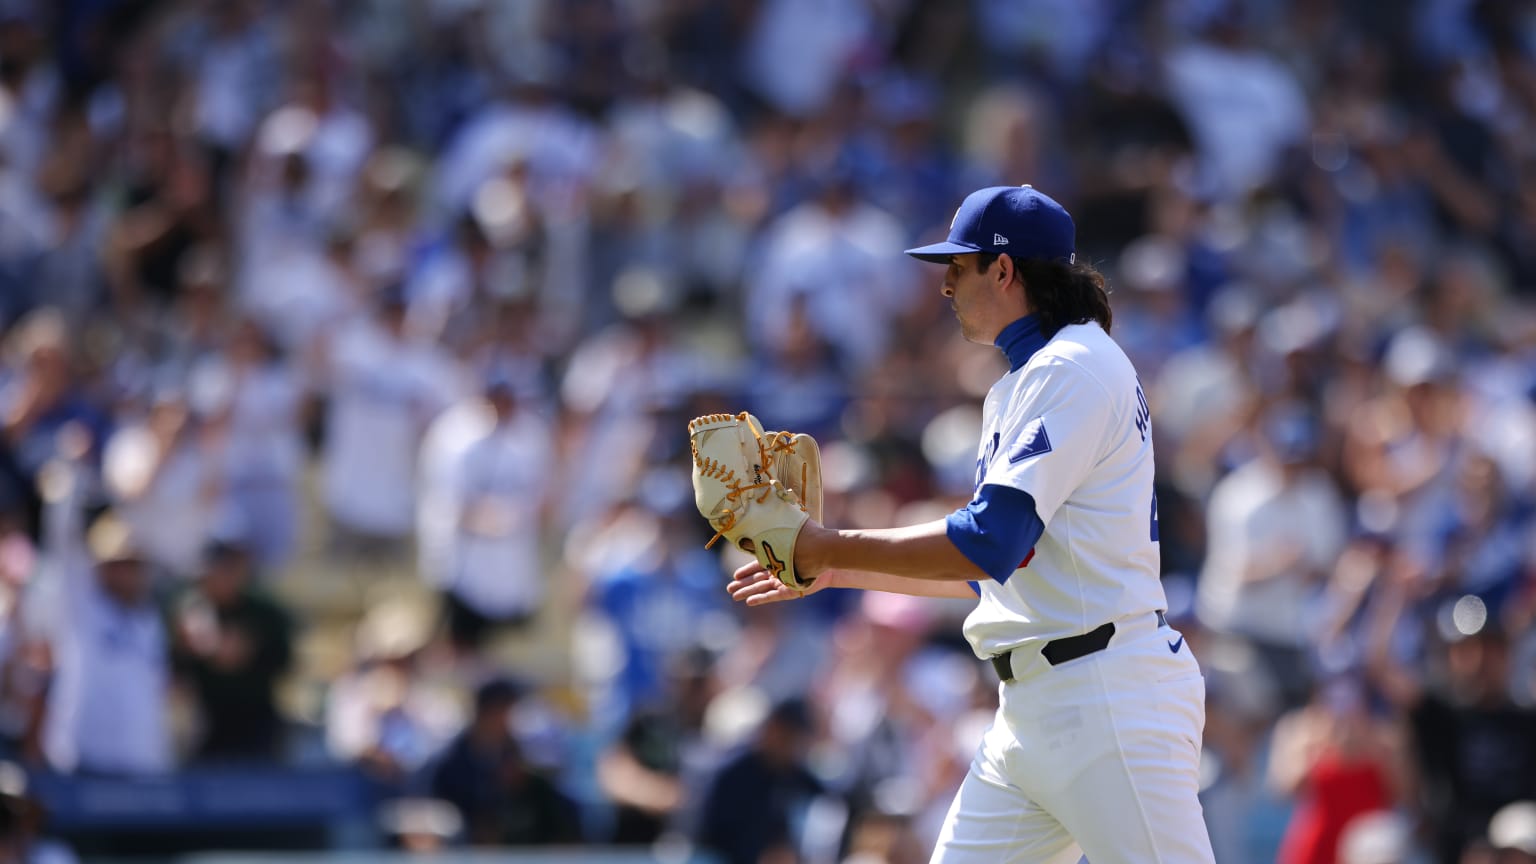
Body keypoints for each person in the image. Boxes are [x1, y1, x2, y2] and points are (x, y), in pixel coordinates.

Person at [728, 185, 1215, 862]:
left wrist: (825, 544)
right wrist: (835, 568)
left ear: (1005, 270)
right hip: (1034, 707)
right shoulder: (1024, 384)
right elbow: (997, 573)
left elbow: (988, 540)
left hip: (1106, 696)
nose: (945, 286)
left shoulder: (1071, 366)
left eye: (957, 267)